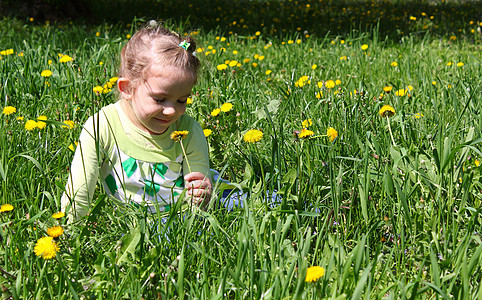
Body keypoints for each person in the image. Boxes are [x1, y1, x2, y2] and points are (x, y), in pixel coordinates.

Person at [61, 24, 212, 220]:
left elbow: (199, 202)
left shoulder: (188, 130)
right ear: (127, 88)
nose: (172, 110)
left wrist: (203, 196)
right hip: (130, 223)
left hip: (178, 219)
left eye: (182, 100)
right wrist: (68, 233)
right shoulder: (103, 126)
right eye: (159, 99)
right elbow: (79, 191)